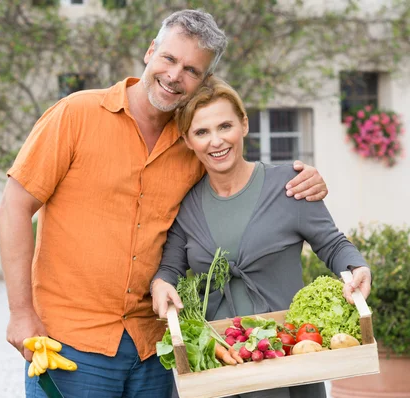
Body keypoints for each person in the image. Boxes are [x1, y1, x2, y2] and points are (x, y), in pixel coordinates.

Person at [0, 9, 329, 398]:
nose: (175, 75)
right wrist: (21, 313)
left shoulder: (194, 141)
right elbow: (14, 207)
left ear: (202, 81)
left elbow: (239, 185)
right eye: (169, 59)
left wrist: (300, 179)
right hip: (71, 344)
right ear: (150, 51)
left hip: (155, 348)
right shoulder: (75, 115)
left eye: (191, 69)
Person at [151, 77, 372, 398]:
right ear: (187, 140)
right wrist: (160, 284)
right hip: (217, 365)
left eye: (225, 126)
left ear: (244, 124)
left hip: (285, 358)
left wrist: (357, 268)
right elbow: (170, 268)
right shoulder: (187, 205)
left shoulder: (290, 185)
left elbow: (334, 245)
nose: (216, 141)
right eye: (202, 132)